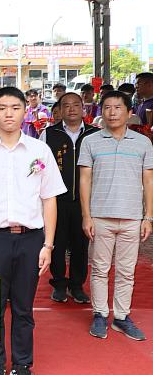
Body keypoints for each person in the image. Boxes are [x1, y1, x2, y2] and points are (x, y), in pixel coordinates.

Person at [0, 87, 66, 375]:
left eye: (15, 108)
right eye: (2, 107)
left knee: (23, 308)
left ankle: (22, 367)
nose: (9, 113)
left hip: (30, 239)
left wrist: (48, 244)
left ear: (25, 112)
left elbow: (49, 199)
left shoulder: (39, 150)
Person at [79, 90, 153, 342]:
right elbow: (85, 179)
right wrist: (86, 215)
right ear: (102, 112)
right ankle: (100, 314)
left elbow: (148, 180)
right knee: (99, 269)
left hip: (132, 217)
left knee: (126, 271)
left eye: (117, 107)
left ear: (129, 112)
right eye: (107, 107)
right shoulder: (91, 141)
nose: (112, 112)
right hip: (100, 216)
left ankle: (121, 316)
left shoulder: (143, 143)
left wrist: (148, 217)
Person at [40, 92, 99, 304]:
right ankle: (59, 284)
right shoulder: (49, 134)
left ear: (83, 108)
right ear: (59, 110)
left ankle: (76, 285)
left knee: (80, 245)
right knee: (56, 242)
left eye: (76, 105)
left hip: (85, 202)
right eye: (66, 105)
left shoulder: (95, 134)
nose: (72, 109)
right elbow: (40, 167)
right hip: (57, 200)